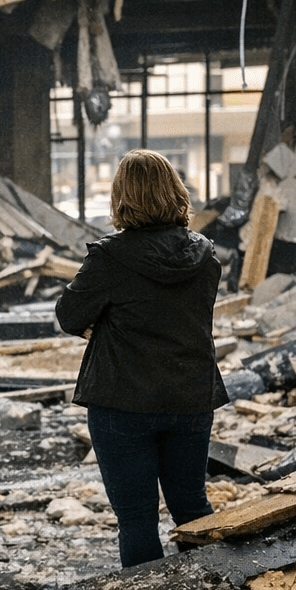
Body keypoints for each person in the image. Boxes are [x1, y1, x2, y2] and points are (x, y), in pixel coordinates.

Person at [55, 148, 229, 567]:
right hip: (190, 397)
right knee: (191, 508)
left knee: (137, 519)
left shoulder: (110, 257)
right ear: (175, 191)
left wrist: (101, 322)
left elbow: (69, 315)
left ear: (121, 197)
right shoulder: (204, 255)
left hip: (122, 400)